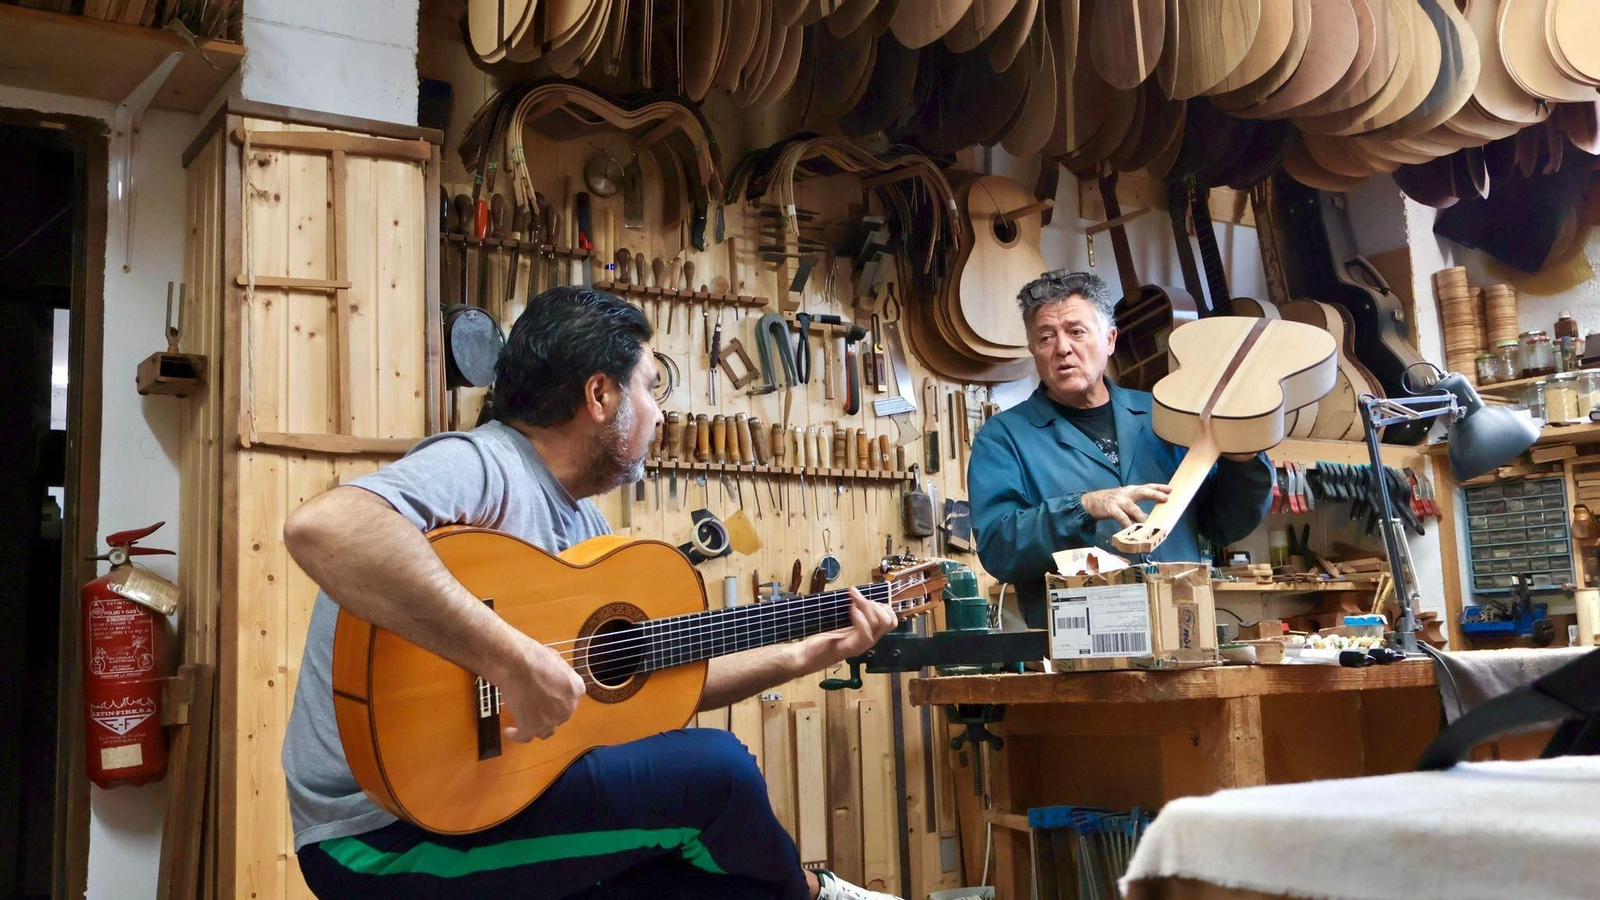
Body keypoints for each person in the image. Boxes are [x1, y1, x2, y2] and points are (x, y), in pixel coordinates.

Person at [281, 286, 902, 900]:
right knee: (721, 775)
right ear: (600, 395)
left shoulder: (588, 530)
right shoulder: (485, 465)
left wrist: (804, 654)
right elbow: (327, 529)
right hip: (380, 835)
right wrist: (510, 660)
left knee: (727, 883)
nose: (660, 414)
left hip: (498, 800)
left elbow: (659, 680)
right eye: (651, 387)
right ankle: (816, 894)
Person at [968, 270, 1272, 627]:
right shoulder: (1003, 438)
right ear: (1033, 349)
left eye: (1077, 332)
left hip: (1181, 631)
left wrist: (1243, 461)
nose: (1062, 348)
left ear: (1110, 339)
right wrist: (1084, 507)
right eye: (1046, 337)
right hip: (1078, 645)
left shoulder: (1166, 417)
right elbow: (999, 549)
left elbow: (1223, 525)